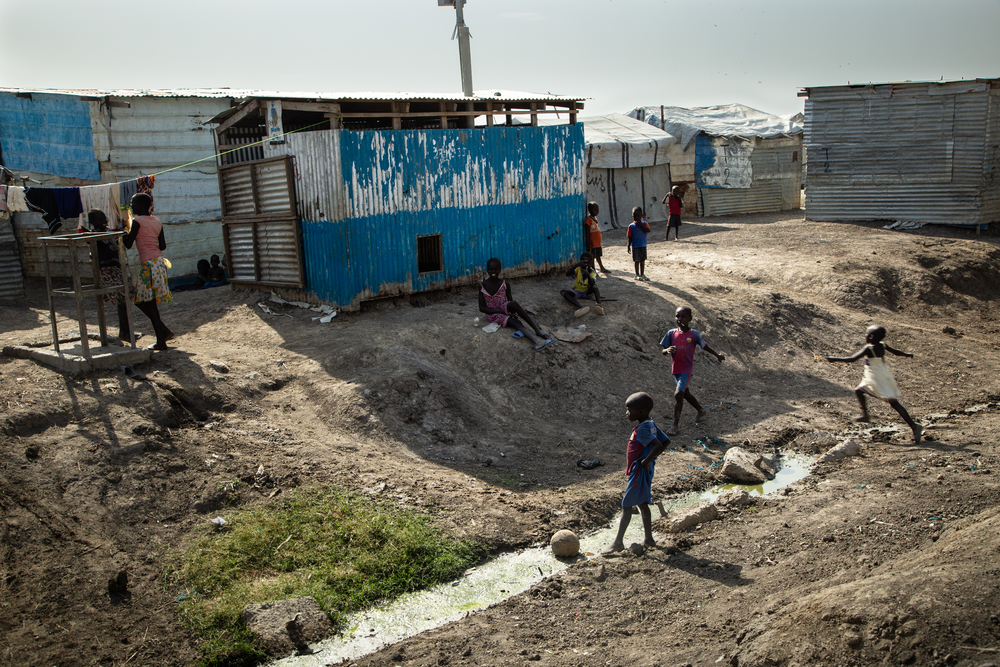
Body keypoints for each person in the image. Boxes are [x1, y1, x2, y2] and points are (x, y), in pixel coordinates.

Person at [826, 325, 922, 443]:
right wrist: (906, 354)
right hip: (882, 374)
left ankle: (914, 426)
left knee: (892, 402)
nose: (865, 336)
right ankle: (866, 415)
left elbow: (852, 359)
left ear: (870, 337)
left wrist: (833, 359)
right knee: (860, 391)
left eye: (866, 334)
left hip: (876, 377)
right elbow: (896, 352)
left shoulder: (869, 348)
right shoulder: (882, 345)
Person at [605, 392, 669, 553]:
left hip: (639, 472)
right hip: (644, 470)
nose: (627, 413)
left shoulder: (643, 429)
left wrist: (645, 461)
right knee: (642, 503)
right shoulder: (650, 424)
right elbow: (665, 440)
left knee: (627, 505)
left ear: (640, 412)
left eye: (629, 410)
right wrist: (650, 461)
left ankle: (618, 542)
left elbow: (659, 445)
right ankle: (649, 538)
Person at [660, 306, 725, 436]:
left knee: (678, 394)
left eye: (683, 316)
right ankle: (701, 410)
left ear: (690, 318)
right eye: (677, 316)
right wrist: (666, 351)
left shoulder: (694, 334)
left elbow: (705, 346)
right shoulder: (671, 333)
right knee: (685, 393)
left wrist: (717, 355)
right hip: (676, 370)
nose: (679, 319)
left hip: (686, 370)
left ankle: (675, 425)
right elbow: (663, 349)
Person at [123, 193, 174, 351]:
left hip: (148, 265)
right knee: (144, 301)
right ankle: (163, 332)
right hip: (159, 262)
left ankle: (161, 339)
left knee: (145, 302)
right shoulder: (157, 221)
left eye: (133, 204)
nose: (131, 206)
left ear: (140, 206)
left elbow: (129, 243)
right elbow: (163, 245)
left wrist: (123, 233)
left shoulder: (137, 221)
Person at [479, 258, 552, 351]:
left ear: (500, 270)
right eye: (490, 269)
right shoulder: (482, 286)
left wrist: (514, 313)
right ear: (487, 270)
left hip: (503, 307)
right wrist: (500, 311)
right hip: (493, 314)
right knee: (516, 323)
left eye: (496, 269)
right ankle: (537, 342)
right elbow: (482, 308)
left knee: (514, 304)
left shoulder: (505, 284)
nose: (493, 271)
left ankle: (537, 330)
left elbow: (510, 302)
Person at [85, 209, 131, 342]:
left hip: (115, 269)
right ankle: (125, 333)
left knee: (123, 300)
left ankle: (125, 332)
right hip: (106, 270)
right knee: (121, 299)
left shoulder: (109, 231)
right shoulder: (95, 234)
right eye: (100, 220)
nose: (104, 221)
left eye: (104, 218)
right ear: (92, 222)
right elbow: (90, 242)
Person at [560, 252, 605, 318]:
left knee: (595, 286)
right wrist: (576, 265)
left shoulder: (592, 272)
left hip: (587, 293)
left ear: (591, 263)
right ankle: (580, 306)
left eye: (588, 262)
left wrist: (588, 276)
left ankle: (599, 305)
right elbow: (567, 274)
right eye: (584, 262)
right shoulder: (578, 269)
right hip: (577, 292)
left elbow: (592, 283)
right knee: (563, 292)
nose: (586, 264)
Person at [626, 207, 650, 281]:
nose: (636, 218)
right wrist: (628, 246)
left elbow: (648, 230)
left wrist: (641, 225)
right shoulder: (631, 226)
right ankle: (637, 274)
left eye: (638, 216)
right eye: (634, 216)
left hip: (643, 245)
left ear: (641, 215)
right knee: (636, 261)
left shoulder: (644, 223)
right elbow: (629, 237)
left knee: (642, 260)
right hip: (635, 246)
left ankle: (642, 274)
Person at [583, 202, 608, 273]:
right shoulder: (588, 219)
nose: (596, 211)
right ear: (590, 210)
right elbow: (587, 231)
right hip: (592, 242)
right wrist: (588, 241)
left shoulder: (595, 219)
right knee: (592, 257)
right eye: (594, 210)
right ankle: (593, 270)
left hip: (597, 243)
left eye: (597, 209)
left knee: (598, 256)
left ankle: (601, 268)